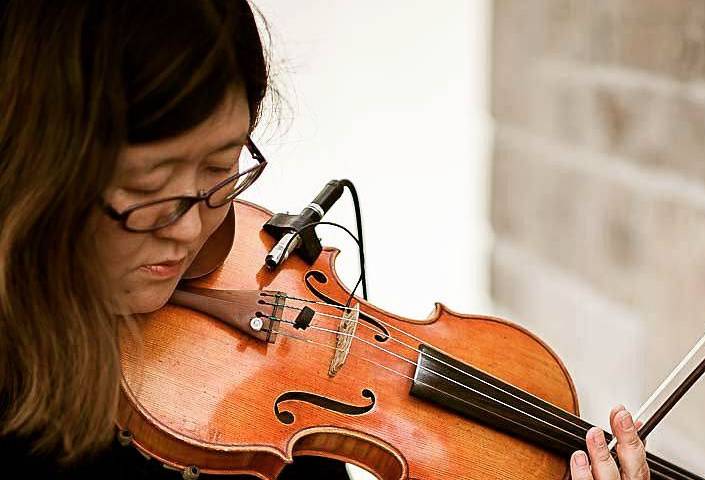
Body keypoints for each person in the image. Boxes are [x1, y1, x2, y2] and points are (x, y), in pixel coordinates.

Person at [0, 1, 648, 479]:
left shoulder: (270, 409)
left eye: (221, 170)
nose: (194, 228)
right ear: (41, 176)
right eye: (152, 194)